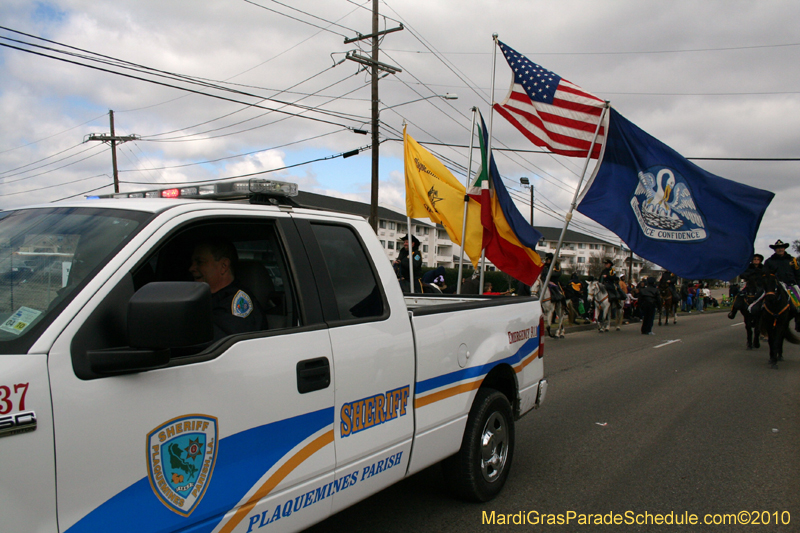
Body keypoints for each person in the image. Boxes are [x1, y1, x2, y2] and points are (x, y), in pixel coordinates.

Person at [189, 238, 265, 341]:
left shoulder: (237, 302)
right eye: (192, 262)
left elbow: (214, 343)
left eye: (200, 262)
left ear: (224, 266)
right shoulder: (200, 298)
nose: (191, 268)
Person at [763, 239, 800, 331]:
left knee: (798, 303)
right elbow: (765, 275)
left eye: (782, 248)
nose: (780, 249)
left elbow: (798, 274)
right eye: (778, 248)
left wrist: (798, 285)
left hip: (790, 285)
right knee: (760, 302)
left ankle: (798, 322)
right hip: (775, 286)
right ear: (775, 250)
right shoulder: (769, 261)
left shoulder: (792, 260)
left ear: (784, 248)